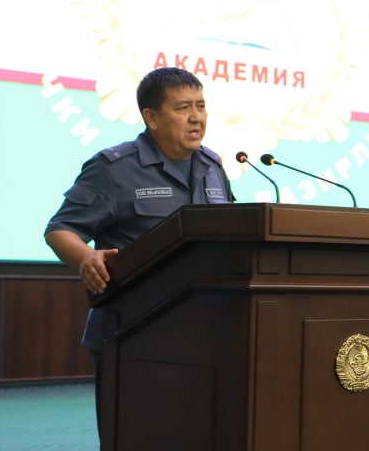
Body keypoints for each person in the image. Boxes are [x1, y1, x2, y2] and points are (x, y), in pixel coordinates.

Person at [44, 67, 234, 364]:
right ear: (152, 117)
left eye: (200, 106)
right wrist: (85, 257)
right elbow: (60, 229)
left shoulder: (212, 166)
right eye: (183, 108)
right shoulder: (114, 168)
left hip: (203, 328)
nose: (196, 117)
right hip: (131, 330)